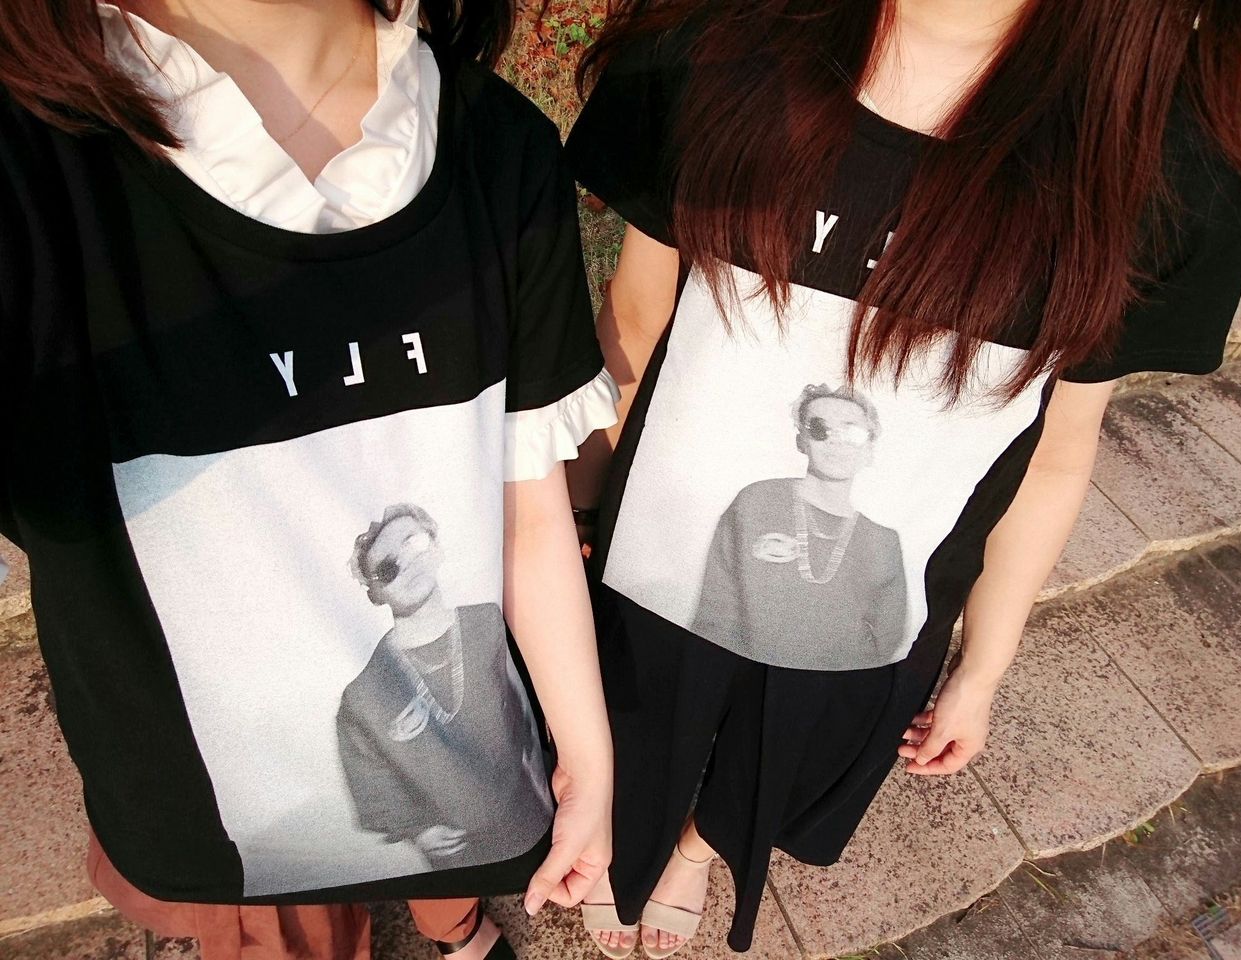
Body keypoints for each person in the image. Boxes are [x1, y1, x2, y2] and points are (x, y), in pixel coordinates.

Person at [562, 0, 1241, 956]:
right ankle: (634, 839)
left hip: (881, 603)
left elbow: (1058, 448)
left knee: (788, 756)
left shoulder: (1165, 164)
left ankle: (698, 848)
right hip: (664, 551)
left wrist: (984, 664)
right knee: (638, 718)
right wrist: (578, 505)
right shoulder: (709, 41)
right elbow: (639, 318)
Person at [0, 0, 619, 958]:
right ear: (369, 579)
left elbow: (525, 510)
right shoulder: (31, 175)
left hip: (483, 790)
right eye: (392, 558)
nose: (415, 563)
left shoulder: (498, 146)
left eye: (418, 545)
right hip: (230, 827)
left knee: (457, 864)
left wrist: (587, 752)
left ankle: (455, 922)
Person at [337, 503, 554, 872]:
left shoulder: (490, 623)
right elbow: (369, 775)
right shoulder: (365, 694)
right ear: (375, 593)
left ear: (436, 547)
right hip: (459, 854)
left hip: (529, 814)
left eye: (414, 544)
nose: (407, 564)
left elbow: (532, 709)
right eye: (388, 568)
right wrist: (416, 830)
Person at [692, 384, 908, 670]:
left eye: (852, 432)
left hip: (831, 691)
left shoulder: (883, 541)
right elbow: (715, 612)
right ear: (801, 441)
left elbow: (884, 643)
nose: (835, 442)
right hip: (739, 678)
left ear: (869, 447)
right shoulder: (756, 502)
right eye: (820, 429)